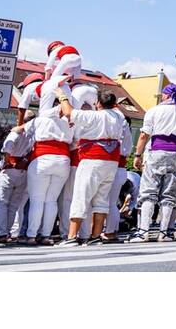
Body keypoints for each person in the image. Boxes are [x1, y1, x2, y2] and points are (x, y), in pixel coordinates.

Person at [54, 86, 124, 246]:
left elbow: (69, 112)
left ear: (98, 103)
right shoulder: (119, 118)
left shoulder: (95, 116)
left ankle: (71, 236)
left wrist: (62, 96)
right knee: (101, 198)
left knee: (81, 195)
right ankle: (95, 236)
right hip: (112, 160)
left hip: (93, 158)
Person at [129, 83, 176, 243]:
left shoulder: (154, 110)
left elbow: (144, 135)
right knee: (169, 194)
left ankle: (143, 231)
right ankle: (165, 233)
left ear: (166, 95)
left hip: (156, 152)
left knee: (148, 192)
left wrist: (137, 155)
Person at [24, 74, 74, 245]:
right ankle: (45, 235)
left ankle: (31, 235)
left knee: (37, 199)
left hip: (42, 157)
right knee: (51, 200)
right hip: (63, 159)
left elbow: (25, 133)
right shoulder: (70, 119)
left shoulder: (42, 117)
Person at [0, 115, 34, 243]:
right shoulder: (33, 135)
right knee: (13, 204)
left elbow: (7, 148)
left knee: (0, 202)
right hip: (23, 171)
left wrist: (6, 162)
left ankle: (1, 233)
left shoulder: (15, 132)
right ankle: (7, 231)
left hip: (10, 168)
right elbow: (32, 151)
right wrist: (25, 160)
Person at [102, 109, 133, 241]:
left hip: (115, 167)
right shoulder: (128, 136)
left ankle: (108, 230)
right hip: (121, 169)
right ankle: (112, 230)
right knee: (113, 203)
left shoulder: (117, 134)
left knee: (107, 202)